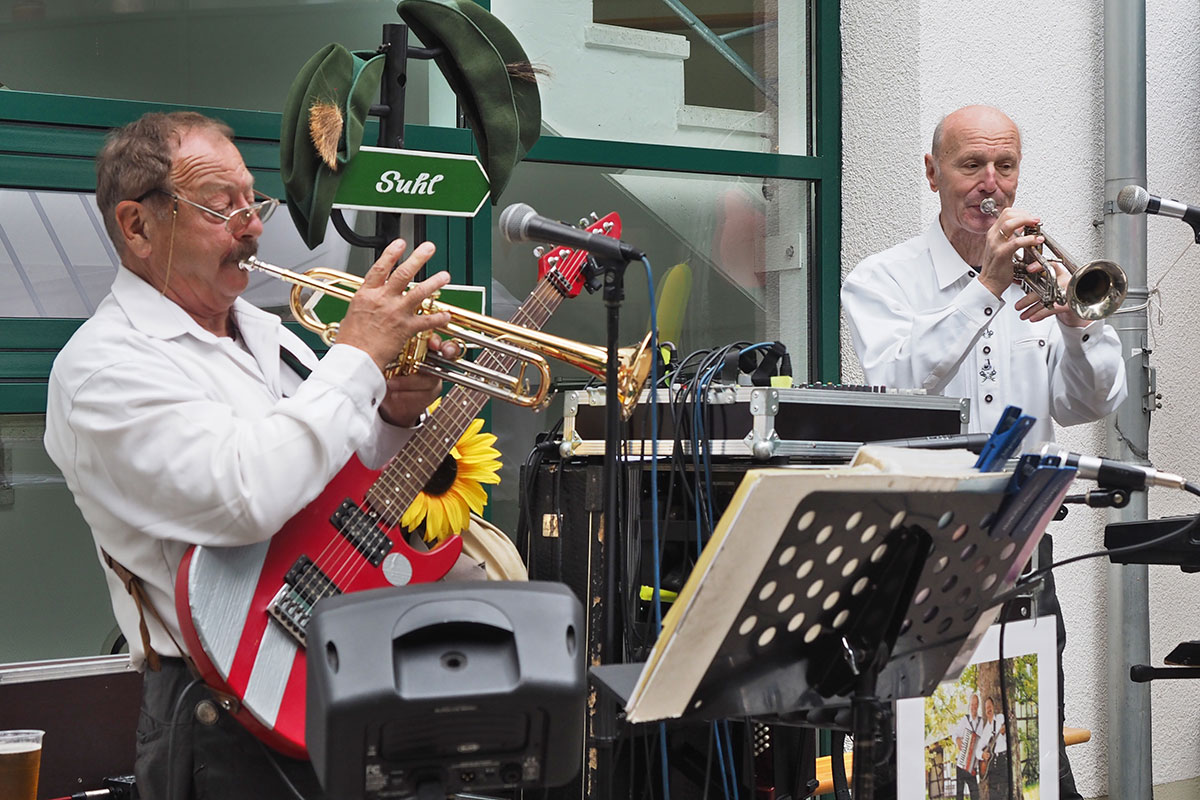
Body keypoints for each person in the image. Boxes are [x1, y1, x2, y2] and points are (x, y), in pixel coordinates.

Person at [43, 111, 457, 799]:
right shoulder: (101, 370)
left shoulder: (270, 332)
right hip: (218, 711)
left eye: (253, 202)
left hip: (340, 669)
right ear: (137, 226)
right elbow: (248, 498)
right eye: (221, 206)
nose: (254, 226)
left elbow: (340, 480)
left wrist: (393, 412)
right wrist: (354, 360)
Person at [841, 104, 1126, 799]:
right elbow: (897, 381)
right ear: (933, 173)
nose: (989, 184)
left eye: (1005, 166)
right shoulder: (882, 280)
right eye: (971, 165)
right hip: (916, 554)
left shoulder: (1043, 280)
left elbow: (1092, 403)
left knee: (1024, 756)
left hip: (1023, 548)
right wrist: (986, 288)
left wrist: (1074, 327)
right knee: (917, 762)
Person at [953, 693, 985, 800]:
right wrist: (958, 740)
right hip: (961, 765)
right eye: (972, 705)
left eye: (975, 705)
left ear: (978, 706)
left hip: (972, 767)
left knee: (975, 795)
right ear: (969, 705)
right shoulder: (964, 720)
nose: (973, 707)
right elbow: (955, 735)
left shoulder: (981, 723)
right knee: (959, 796)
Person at [979, 696, 1009, 795]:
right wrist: (982, 755)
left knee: (1005, 793)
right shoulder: (986, 729)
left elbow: (1010, 736)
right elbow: (977, 750)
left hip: (1003, 760)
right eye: (986, 707)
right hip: (992, 765)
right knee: (993, 794)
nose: (988, 709)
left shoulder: (1001, 718)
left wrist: (1004, 732)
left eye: (990, 706)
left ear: (994, 707)